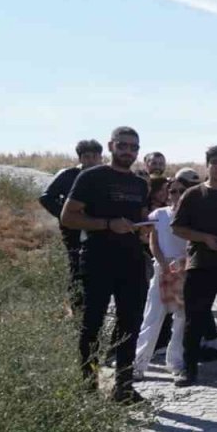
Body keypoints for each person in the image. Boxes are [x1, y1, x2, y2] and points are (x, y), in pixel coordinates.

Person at [60, 127, 150, 404]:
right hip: (98, 259)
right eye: (123, 145)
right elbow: (68, 217)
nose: (128, 151)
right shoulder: (91, 177)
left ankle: (123, 387)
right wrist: (108, 225)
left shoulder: (140, 183)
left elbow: (140, 216)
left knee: (130, 324)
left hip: (132, 261)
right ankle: (89, 387)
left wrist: (144, 229)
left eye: (134, 147)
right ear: (111, 146)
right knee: (92, 325)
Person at [171, 145, 217, 387]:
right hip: (200, 265)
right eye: (215, 161)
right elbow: (177, 227)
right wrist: (205, 239)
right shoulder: (193, 194)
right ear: (207, 165)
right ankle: (189, 370)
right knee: (195, 319)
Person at [133, 176, 196, 379]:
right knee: (152, 316)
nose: (176, 195)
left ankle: (175, 362)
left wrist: (183, 264)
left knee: (181, 318)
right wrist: (162, 264)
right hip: (163, 269)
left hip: (185, 269)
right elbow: (153, 241)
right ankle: (139, 363)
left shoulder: (193, 216)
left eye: (181, 190)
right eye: (172, 191)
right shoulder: (159, 214)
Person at [40, 139, 103, 304]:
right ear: (80, 158)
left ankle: (95, 304)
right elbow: (46, 198)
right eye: (87, 156)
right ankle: (77, 309)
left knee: (99, 266)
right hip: (73, 229)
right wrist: (65, 216)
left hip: (99, 228)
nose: (92, 160)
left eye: (95, 156)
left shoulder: (105, 176)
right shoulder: (68, 175)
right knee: (77, 266)